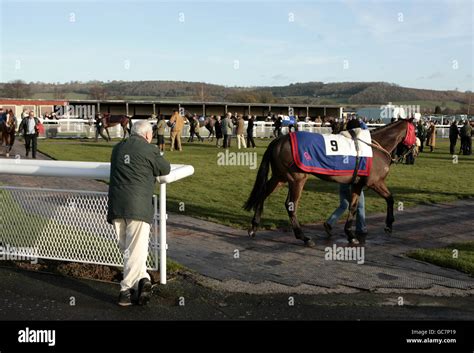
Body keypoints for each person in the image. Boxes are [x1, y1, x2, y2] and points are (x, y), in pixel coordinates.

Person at [107, 121, 171, 306]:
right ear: (147, 135)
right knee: (134, 251)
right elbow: (164, 169)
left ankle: (144, 281)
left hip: (117, 206)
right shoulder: (149, 149)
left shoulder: (117, 148)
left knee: (129, 251)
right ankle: (125, 290)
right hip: (138, 207)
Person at [324, 119, 367, 239]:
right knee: (360, 206)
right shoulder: (357, 142)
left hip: (342, 178)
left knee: (344, 205)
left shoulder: (340, 139)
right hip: (353, 179)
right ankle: (361, 228)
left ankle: (330, 222)